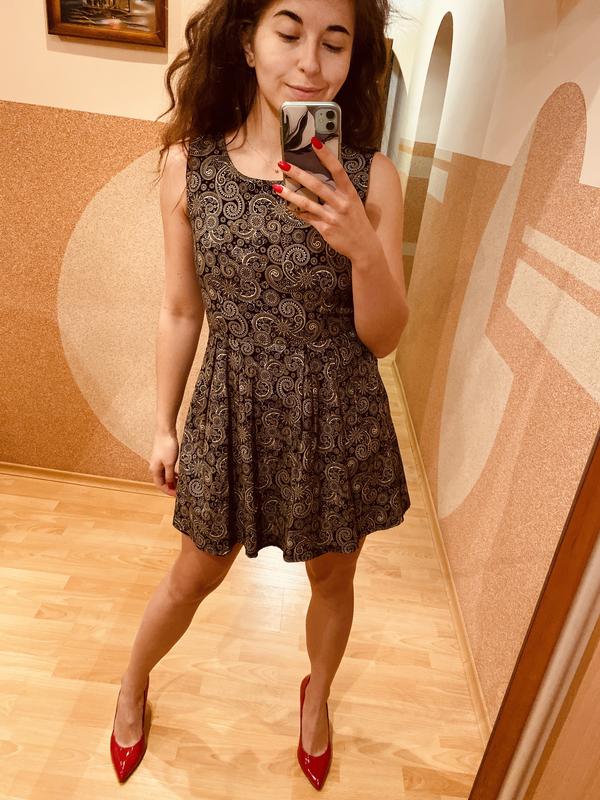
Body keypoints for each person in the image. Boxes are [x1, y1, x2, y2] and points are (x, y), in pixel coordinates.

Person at [109, 0, 411, 789]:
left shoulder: (372, 175)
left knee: (333, 578)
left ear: (353, 59)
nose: (311, 61)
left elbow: (384, 337)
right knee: (194, 574)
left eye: (334, 42)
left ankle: (317, 702)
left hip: (337, 410)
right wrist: (164, 425)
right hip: (231, 404)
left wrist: (362, 247)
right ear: (247, 42)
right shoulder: (191, 165)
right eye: (289, 32)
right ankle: (131, 684)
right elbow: (181, 309)